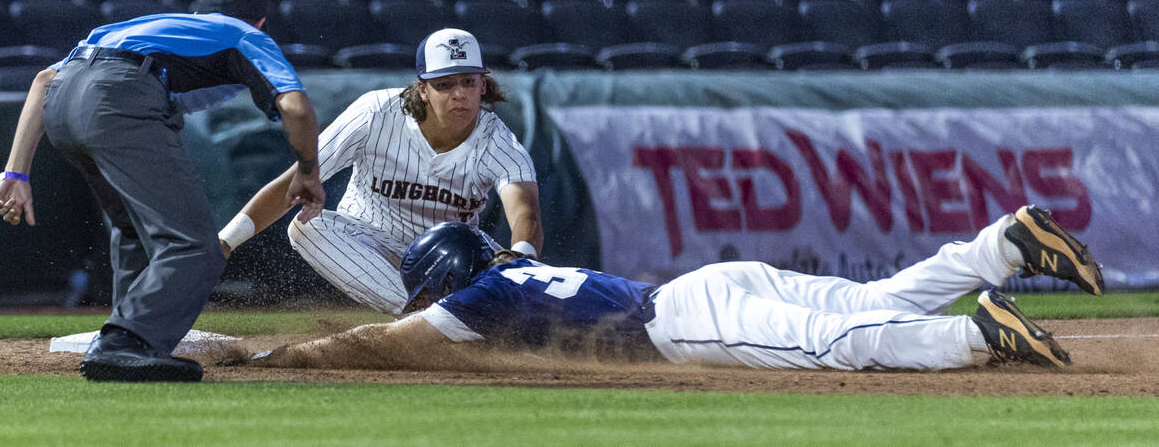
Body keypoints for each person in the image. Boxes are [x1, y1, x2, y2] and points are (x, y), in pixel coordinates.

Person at [239, 206, 1103, 371]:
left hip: (687, 317)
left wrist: (277, 354)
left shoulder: (478, 301)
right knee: (872, 298)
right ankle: (999, 246)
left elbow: (380, 343)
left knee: (837, 346)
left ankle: (977, 334)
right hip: (704, 284)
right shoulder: (515, 275)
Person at [0, 0, 327, 382]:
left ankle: (129, 337)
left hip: (66, 101)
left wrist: (16, 173)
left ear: (200, 9)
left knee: (135, 229)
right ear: (260, 19)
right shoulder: (246, 34)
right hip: (120, 97)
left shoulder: (150, 25)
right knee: (195, 247)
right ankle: (124, 343)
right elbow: (296, 108)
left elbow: (44, 80)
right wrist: (308, 171)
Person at [217, 28, 542, 315]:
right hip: (370, 242)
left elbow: (526, 212)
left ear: (483, 85)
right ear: (422, 89)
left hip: (449, 257)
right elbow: (295, 182)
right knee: (305, 226)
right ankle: (421, 318)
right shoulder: (376, 113)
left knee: (519, 279)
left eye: (468, 81)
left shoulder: (497, 141)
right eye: (444, 84)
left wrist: (519, 257)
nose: (459, 94)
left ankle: (473, 319)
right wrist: (224, 243)